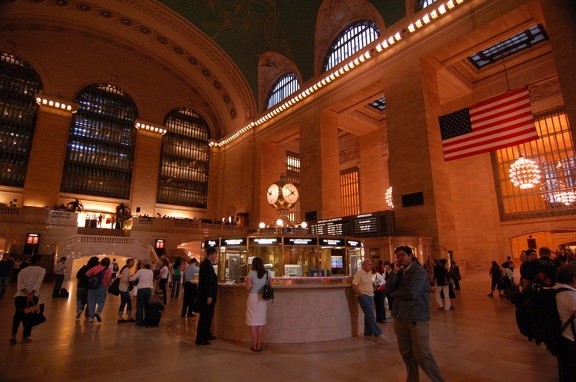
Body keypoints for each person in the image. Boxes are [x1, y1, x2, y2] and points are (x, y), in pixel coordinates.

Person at [386, 246, 445, 382]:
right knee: (407, 354)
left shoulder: (419, 272)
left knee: (423, 355)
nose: (400, 258)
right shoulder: (399, 272)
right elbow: (388, 288)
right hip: (400, 318)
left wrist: (394, 294)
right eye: (398, 256)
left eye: (402, 255)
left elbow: (412, 293)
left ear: (410, 255)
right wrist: (394, 273)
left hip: (416, 318)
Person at [9, 254, 46, 344]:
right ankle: (24, 337)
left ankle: (13, 335)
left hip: (20, 296)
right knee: (29, 316)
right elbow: (38, 283)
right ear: (38, 261)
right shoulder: (41, 270)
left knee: (18, 315)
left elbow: (20, 283)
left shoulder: (23, 270)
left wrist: (26, 293)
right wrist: (31, 294)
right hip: (33, 296)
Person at [351, 259, 389, 342]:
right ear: (364, 265)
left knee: (368, 315)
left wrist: (374, 286)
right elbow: (354, 285)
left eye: (371, 264)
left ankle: (367, 334)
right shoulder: (359, 273)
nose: (371, 266)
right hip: (364, 296)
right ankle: (378, 334)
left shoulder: (369, 273)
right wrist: (361, 295)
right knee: (371, 315)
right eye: (369, 264)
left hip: (371, 296)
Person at [555, 263, 576, 382]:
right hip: (571, 340)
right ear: (574, 279)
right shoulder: (571, 295)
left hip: (563, 336)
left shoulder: (557, 289)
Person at [245, 256, 270, 352]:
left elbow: (247, 288)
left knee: (252, 322)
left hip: (252, 297)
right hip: (262, 299)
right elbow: (270, 286)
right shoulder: (267, 273)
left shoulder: (251, 273)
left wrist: (249, 285)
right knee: (260, 323)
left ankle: (254, 345)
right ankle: (259, 345)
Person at [195, 247, 218, 345]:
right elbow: (207, 282)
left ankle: (207, 334)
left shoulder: (207, 264)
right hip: (206, 296)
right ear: (210, 254)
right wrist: (209, 296)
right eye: (215, 254)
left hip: (207, 295)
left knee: (208, 316)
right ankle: (201, 338)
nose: (216, 256)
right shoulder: (206, 265)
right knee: (205, 317)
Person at [85, 257, 112, 323]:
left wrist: (93, 278)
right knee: (101, 301)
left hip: (92, 286)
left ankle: (91, 318)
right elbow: (108, 279)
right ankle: (98, 312)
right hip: (102, 286)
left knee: (91, 302)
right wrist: (109, 286)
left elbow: (87, 274)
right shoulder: (108, 270)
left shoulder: (95, 267)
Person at [129, 258, 154, 326]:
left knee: (140, 306)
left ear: (143, 264)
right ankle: (146, 320)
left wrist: (127, 277)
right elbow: (151, 282)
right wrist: (152, 292)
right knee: (146, 306)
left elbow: (133, 278)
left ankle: (139, 321)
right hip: (148, 289)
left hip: (141, 290)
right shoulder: (151, 272)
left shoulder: (140, 271)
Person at [117, 258, 136, 323]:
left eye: (133, 262)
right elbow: (124, 280)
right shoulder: (127, 270)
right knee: (129, 302)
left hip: (122, 288)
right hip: (124, 289)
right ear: (127, 263)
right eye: (130, 262)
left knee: (123, 303)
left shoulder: (125, 269)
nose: (132, 263)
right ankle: (129, 317)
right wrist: (130, 278)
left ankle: (120, 318)